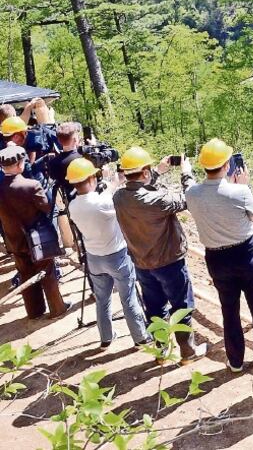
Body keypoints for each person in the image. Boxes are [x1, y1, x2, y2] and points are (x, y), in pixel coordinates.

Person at [186, 139, 253, 373]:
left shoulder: (192, 193)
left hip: (216, 257)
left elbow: (191, 188)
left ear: (203, 166)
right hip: (247, 253)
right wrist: (244, 185)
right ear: (227, 165)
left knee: (229, 309)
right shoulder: (240, 191)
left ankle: (235, 360)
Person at [113, 146, 206, 364]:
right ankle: (188, 351)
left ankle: (162, 351)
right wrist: (186, 173)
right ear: (144, 172)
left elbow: (138, 186)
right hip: (169, 261)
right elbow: (188, 198)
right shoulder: (157, 200)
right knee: (181, 306)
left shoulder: (119, 197)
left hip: (141, 262)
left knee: (155, 308)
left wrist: (157, 171)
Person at [66, 157, 151, 349]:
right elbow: (111, 197)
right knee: (128, 298)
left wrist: (111, 182)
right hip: (117, 256)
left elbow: (104, 196)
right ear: (90, 179)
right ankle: (140, 337)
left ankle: (105, 338)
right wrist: (116, 180)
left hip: (94, 258)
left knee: (102, 301)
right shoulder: (103, 203)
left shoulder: (73, 206)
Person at [0, 144, 68, 319]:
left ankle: (35, 311)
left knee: (25, 274)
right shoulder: (31, 185)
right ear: (20, 165)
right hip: (37, 238)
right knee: (47, 271)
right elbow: (46, 207)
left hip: (14, 239)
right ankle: (57, 308)